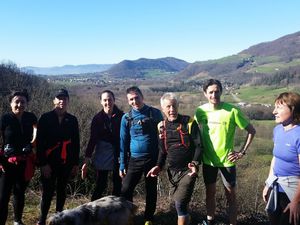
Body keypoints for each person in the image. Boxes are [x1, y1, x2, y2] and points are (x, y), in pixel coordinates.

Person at [194, 79, 256, 225]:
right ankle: (210, 221)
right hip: (208, 160)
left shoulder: (232, 110)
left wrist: (242, 152)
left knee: (231, 197)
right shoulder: (200, 111)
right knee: (210, 194)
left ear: (221, 91)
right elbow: (193, 133)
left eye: (217, 91)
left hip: (227, 161)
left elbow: (251, 131)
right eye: (210, 92)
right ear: (205, 93)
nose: (214, 95)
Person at [147, 92, 202, 225]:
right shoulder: (161, 126)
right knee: (178, 203)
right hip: (172, 172)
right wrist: (158, 166)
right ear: (163, 109)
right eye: (168, 107)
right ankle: (188, 219)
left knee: (179, 204)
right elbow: (162, 150)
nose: (172, 110)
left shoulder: (189, 122)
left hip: (188, 171)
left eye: (174, 106)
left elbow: (199, 146)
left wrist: (195, 163)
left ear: (178, 106)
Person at [119, 86, 163, 225]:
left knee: (150, 189)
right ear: (128, 101)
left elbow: (162, 138)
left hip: (152, 158)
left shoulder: (155, 113)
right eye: (131, 99)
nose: (134, 101)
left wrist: (160, 162)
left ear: (142, 96)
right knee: (126, 189)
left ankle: (148, 218)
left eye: (136, 97)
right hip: (134, 159)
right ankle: (129, 216)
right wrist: (122, 163)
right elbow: (123, 141)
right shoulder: (126, 118)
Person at [36, 89, 80, 225]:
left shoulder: (72, 120)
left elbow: (76, 143)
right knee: (47, 193)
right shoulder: (45, 118)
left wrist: (75, 164)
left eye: (65, 98)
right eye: (59, 98)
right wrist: (43, 164)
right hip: (49, 163)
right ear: (54, 101)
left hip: (65, 162)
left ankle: (58, 219)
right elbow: (39, 143)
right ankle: (42, 220)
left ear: (68, 101)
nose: (62, 101)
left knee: (62, 192)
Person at [0, 89, 37, 225]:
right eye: (17, 102)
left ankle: (17, 221)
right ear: (10, 103)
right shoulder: (5, 119)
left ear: (26, 103)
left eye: (23, 102)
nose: (20, 105)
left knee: (19, 193)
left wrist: (32, 145)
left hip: (24, 163)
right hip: (6, 164)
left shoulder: (30, 117)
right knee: (2, 197)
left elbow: (37, 130)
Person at [263, 92, 300, 225]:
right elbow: (275, 158)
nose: (274, 112)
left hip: (293, 190)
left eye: (279, 108)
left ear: (293, 109)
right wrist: (268, 183)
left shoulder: (298, 135)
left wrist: (296, 201)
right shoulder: (277, 130)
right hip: (276, 187)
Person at [81, 90, 123, 200]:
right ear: (101, 102)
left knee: (118, 183)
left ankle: (115, 210)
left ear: (114, 100)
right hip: (103, 153)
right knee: (101, 183)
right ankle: (93, 210)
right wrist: (87, 158)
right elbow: (92, 140)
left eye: (110, 100)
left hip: (118, 153)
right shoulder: (97, 118)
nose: (107, 102)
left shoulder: (122, 116)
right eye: (105, 100)